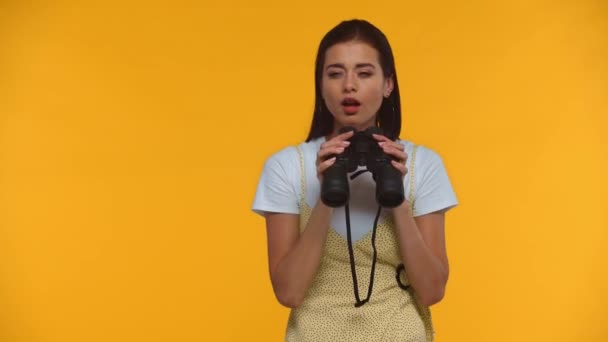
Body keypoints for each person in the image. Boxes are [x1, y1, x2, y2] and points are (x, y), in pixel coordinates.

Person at [251, 19, 458, 342]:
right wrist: (325, 195)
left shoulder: (423, 164)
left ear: (388, 84)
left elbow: (432, 290)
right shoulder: (286, 166)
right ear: (321, 84)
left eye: (364, 73)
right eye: (335, 73)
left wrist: (398, 199)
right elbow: (289, 292)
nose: (349, 85)